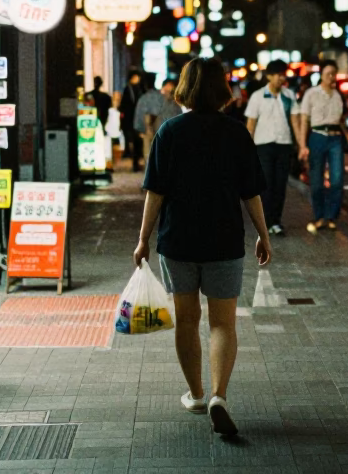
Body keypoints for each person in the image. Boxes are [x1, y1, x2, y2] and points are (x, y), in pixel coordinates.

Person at [133, 58, 271, 437]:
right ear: (222, 88)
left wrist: (144, 238)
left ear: (185, 87)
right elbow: (251, 192)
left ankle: (195, 394)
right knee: (223, 322)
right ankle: (218, 397)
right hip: (225, 239)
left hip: (178, 240)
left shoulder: (169, 132)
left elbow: (155, 192)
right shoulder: (236, 133)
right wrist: (263, 233)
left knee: (188, 319)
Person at [244, 59, 297, 236]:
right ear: (269, 76)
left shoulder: (289, 96)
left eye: (283, 75)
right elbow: (251, 124)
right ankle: (264, 222)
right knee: (266, 184)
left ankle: (276, 221)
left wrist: (300, 144)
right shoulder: (258, 96)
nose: (281, 78)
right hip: (263, 145)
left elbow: (295, 121)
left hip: (284, 144)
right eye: (278, 75)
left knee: (280, 184)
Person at [294, 59, 347, 234]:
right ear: (322, 76)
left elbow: (341, 120)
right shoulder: (311, 94)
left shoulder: (338, 95)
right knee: (316, 180)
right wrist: (302, 145)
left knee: (337, 180)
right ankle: (319, 216)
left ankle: (331, 217)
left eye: (334, 73)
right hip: (317, 137)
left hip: (335, 138)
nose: (332, 77)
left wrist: (346, 136)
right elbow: (304, 120)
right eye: (328, 74)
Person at [134, 78, 182, 149]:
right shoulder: (150, 97)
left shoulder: (174, 103)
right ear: (164, 87)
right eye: (168, 88)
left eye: (171, 89)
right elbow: (141, 110)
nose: (169, 91)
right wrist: (141, 128)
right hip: (152, 132)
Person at [119, 70, 146, 172]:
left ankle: (137, 161)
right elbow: (124, 105)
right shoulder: (128, 89)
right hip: (130, 119)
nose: (137, 79)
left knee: (138, 142)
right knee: (134, 141)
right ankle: (135, 162)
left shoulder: (140, 88)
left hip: (138, 118)